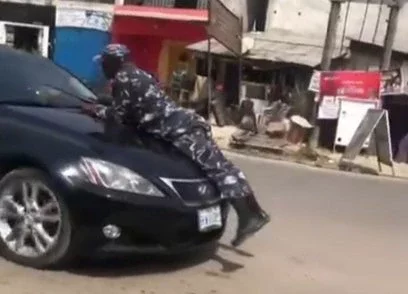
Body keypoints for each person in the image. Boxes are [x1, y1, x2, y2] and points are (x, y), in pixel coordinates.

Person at [83, 44, 270, 247]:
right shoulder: (140, 74)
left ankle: (250, 216)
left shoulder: (122, 78)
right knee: (216, 168)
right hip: (181, 126)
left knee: (219, 169)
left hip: (180, 130)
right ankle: (251, 214)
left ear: (114, 61)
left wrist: (96, 110)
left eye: (104, 63)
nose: (103, 68)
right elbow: (135, 105)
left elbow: (119, 115)